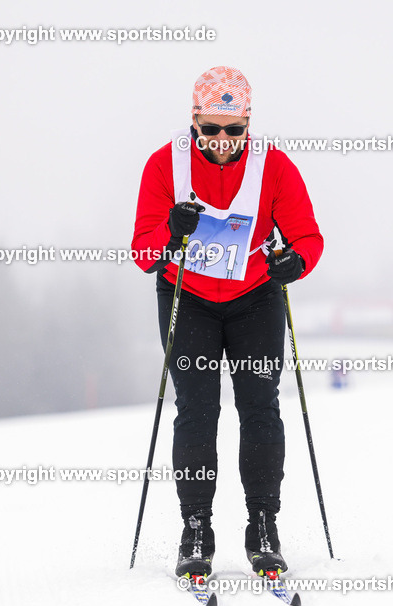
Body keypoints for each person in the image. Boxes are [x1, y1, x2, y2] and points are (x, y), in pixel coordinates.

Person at [131, 66, 324, 578]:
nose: (222, 141)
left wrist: (296, 263)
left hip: (255, 298)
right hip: (186, 297)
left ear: (248, 123)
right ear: (193, 121)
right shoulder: (163, 166)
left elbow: (307, 236)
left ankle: (263, 525)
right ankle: (196, 528)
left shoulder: (274, 166)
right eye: (210, 129)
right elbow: (142, 251)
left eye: (233, 130)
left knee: (259, 408)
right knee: (197, 411)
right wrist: (171, 233)